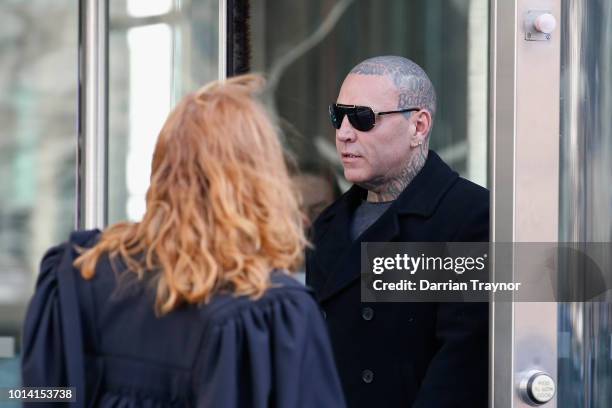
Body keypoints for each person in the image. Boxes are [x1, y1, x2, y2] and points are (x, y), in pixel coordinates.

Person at [22, 74, 346, 407]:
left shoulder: (77, 275)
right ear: (262, 180)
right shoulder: (271, 311)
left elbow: (37, 395)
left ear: (162, 167)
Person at [306, 56, 489, 407]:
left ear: (418, 127)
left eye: (363, 118)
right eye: (338, 116)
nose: (343, 132)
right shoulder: (328, 225)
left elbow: (461, 368)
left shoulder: (471, 218)